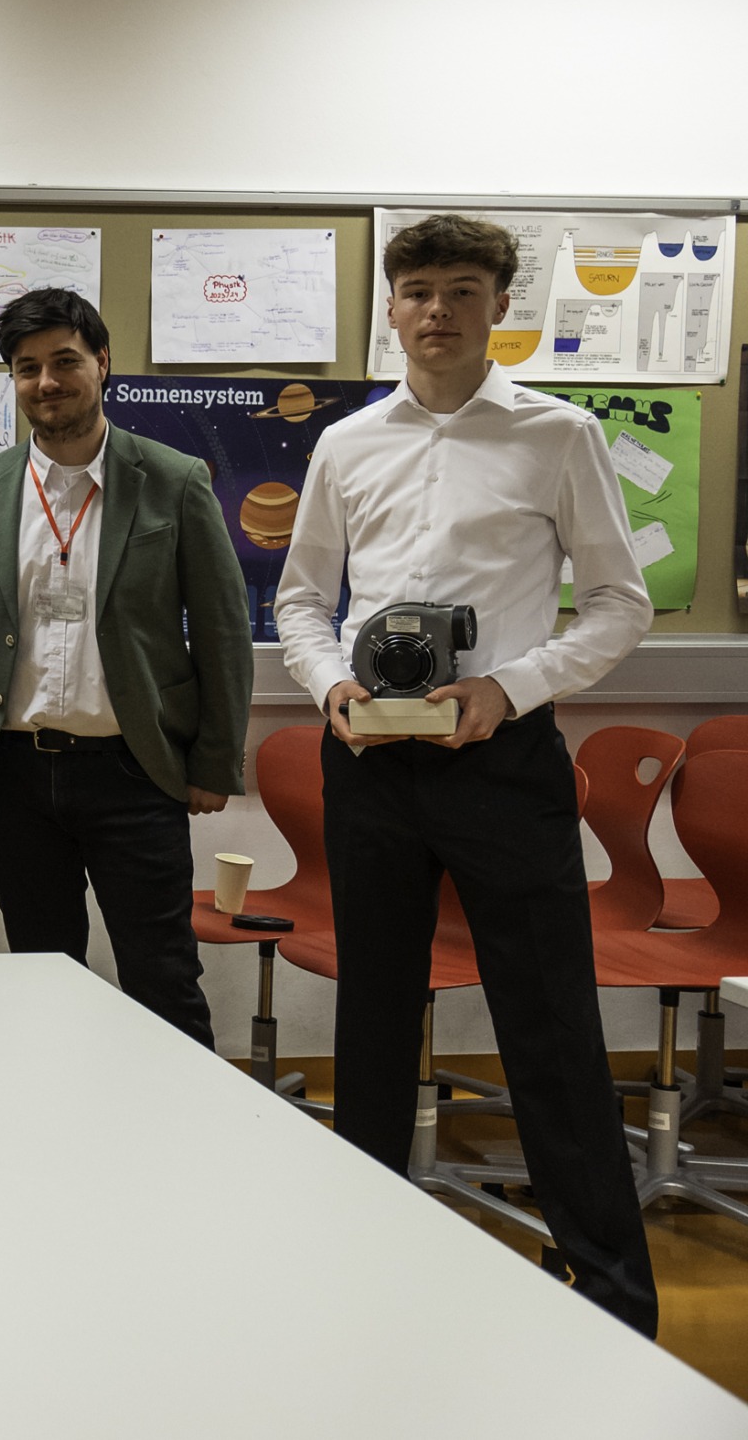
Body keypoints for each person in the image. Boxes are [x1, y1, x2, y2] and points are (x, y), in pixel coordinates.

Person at [275, 213, 656, 1334]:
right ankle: (366, 1275)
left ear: (499, 308)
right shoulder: (347, 443)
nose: (437, 310)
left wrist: (511, 687)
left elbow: (620, 603)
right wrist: (329, 686)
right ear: (391, 310)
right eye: (418, 291)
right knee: (372, 1020)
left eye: (461, 290)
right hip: (370, 761)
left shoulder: (558, 435)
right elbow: (301, 598)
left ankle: (613, 1300)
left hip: (503, 761)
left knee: (549, 1022)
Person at [0, 287, 249, 1046]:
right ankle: (57, 1113)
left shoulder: (173, 479)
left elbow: (223, 628)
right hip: (14, 775)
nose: (47, 382)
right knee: (41, 976)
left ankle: (180, 1119)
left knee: (162, 973)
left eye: (65, 361)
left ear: (102, 363)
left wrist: (215, 759)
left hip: (134, 771)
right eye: (27, 367)